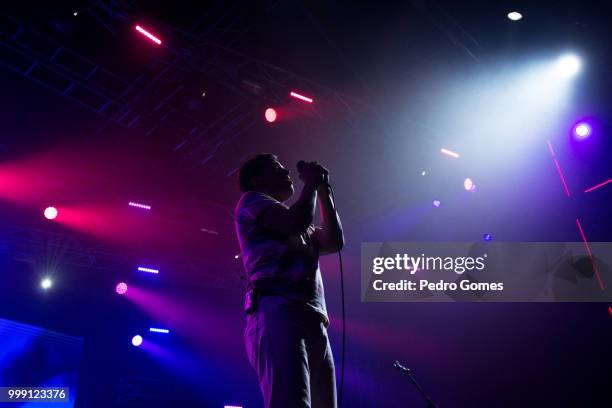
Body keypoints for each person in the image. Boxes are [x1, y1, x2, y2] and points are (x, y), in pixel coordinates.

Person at [234, 153, 344, 408]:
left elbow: (334, 241)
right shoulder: (252, 202)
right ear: (258, 179)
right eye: (277, 168)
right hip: (277, 311)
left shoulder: (294, 217)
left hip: (312, 318)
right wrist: (310, 186)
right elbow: (295, 222)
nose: (286, 172)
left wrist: (323, 191)